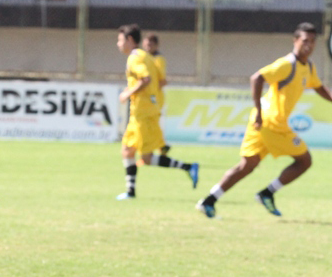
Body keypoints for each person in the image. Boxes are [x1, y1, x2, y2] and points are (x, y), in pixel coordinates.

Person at [197, 22, 332, 218]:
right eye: (304, 41)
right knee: (304, 160)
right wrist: (259, 112)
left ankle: (209, 200)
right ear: (295, 41)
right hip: (272, 123)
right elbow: (257, 78)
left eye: (312, 42)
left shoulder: (308, 67)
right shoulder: (287, 64)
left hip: (261, 123)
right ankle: (267, 193)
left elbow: (318, 87)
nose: (308, 46)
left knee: (246, 166)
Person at [115, 24, 199, 200]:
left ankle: (188, 167)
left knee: (143, 156)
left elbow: (146, 79)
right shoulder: (146, 56)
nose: (118, 44)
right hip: (144, 112)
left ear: (130, 40)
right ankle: (130, 191)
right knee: (129, 151)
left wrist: (127, 93)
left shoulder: (134, 58)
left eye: (120, 40)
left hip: (142, 113)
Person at [142, 33, 171, 156]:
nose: (148, 47)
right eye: (146, 44)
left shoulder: (158, 59)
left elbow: (162, 81)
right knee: (151, 123)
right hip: (150, 97)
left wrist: (150, 91)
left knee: (152, 123)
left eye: (151, 45)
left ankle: (157, 148)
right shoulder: (146, 58)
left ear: (156, 46)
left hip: (155, 98)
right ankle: (161, 147)